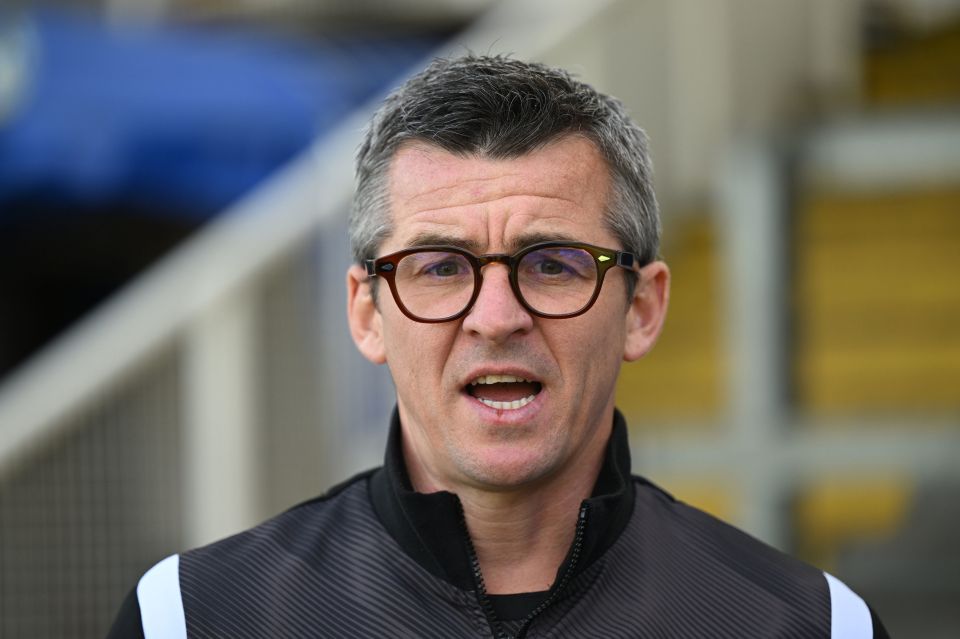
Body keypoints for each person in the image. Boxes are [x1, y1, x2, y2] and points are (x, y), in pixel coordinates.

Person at [109, 55, 888, 638]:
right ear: (368, 312)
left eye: (552, 264)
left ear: (641, 309)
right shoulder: (192, 617)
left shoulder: (811, 626)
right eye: (440, 267)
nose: (496, 315)